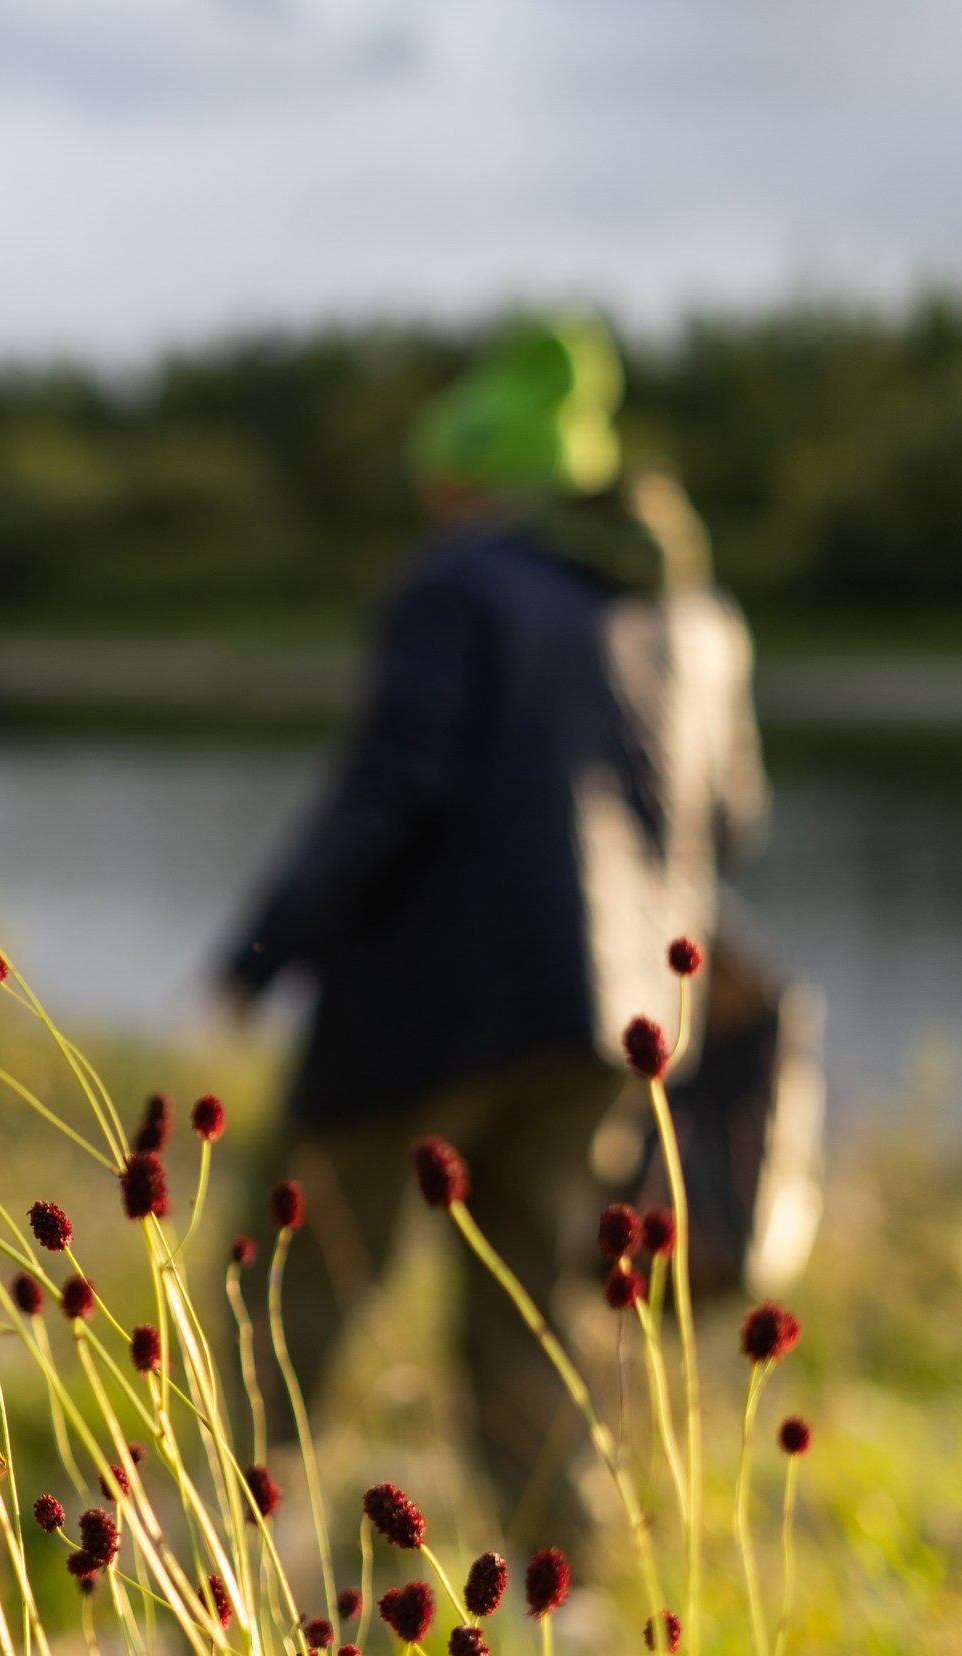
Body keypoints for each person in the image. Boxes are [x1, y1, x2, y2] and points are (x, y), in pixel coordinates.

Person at [217, 313, 768, 1550]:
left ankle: (214, 1537)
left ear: (471, 479)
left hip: (430, 1005)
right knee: (534, 1294)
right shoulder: (696, 611)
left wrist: (264, 949)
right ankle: (554, 1585)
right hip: (618, 1021)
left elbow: (390, 786)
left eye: (442, 482)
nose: (433, 504)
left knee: (296, 1264)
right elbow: (734, 820)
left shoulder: (457, 582)